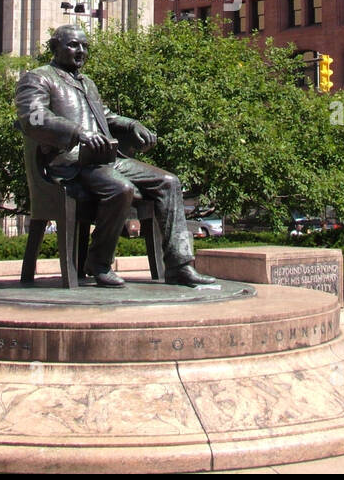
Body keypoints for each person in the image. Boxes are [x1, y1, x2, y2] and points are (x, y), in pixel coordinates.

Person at [14, 25, 216, 289]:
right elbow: (32, 117)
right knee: (121, 188)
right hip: (71, 163)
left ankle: (179, 266)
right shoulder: (38, 78)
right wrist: (77, 133)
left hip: (104, 158)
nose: (81, 51)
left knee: (169, 181)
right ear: (55, 48)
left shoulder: (87, 83)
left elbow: (105, 116)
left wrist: (131, 124)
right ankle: (98, 263)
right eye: (74, 45)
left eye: (85, 46)